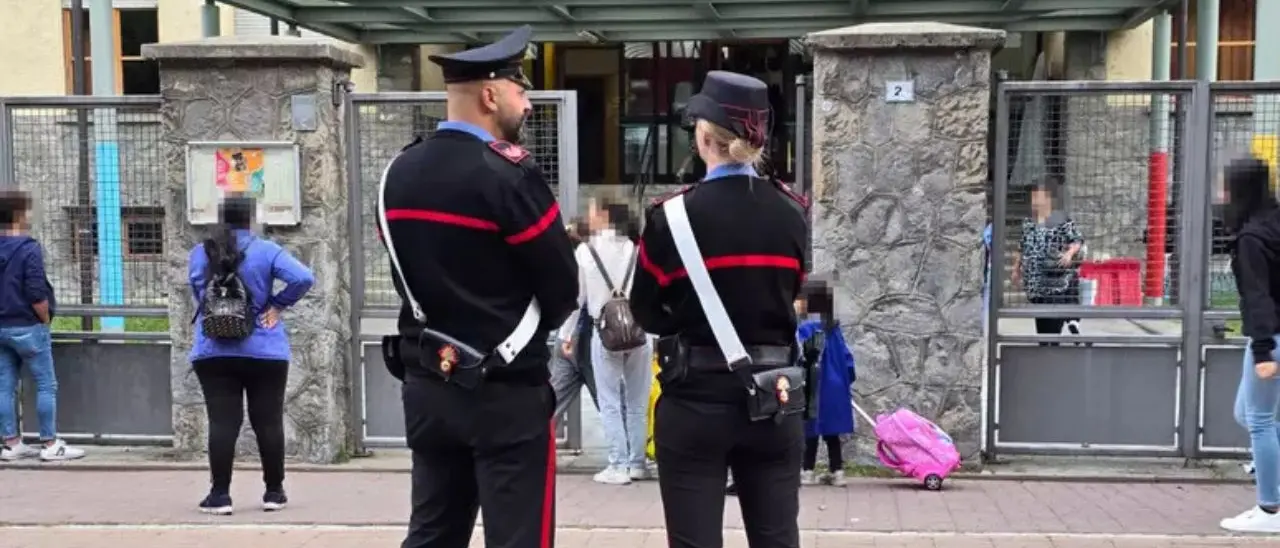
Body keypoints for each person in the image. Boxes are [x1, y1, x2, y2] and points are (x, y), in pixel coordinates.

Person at [376, 25, 578, 548]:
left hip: (428, 384)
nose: (527, 104)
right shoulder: (510, 176)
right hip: (506, 390)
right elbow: (562, 287)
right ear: (490, 96)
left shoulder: (397, 173)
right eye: (519, 90)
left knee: (432, 533)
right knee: (518, 538)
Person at [629, 70, 809, 548]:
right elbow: (794, 291)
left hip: (695, 397)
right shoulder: (793, 212)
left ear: (704, 138)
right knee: (777, 538)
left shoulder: (671, 217)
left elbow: (645, 310)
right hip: (773, 397)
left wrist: (688, 323)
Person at [188, 195, 314, 515]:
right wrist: (277, 305)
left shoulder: (201, 252)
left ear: (220, 218)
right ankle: (274, 492)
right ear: (251, 219)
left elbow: (198, 292)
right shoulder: (266, 250)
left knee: (222, 422)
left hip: (213, 350)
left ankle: (220, 495)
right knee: (268, 421)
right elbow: (303, 277)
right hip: (265, 349)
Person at [559, 199, 653, 485]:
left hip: (605, 333)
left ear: (604, 215)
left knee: (610, 400)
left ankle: (618, 464)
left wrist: (566, 335)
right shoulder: (637, 249)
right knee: (637, 403)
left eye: (591, 211)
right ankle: (637, 463)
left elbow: (577, 299)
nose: (587, 216)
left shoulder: (586, 251)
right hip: (639, 332)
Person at [1218, 157, 1280, 534]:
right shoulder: (1272, 223)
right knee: (1247, 413)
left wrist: (1262, 350)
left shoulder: (1252, 239)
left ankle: (1270, 509)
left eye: (1226, 187)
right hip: (1272, 334)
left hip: (1270, 338)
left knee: (1259, 419)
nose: (1222, 194)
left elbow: (1258, 298)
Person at [0, 190, 82, 462]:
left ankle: (11, 444)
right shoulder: (28, 248)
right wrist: (45, 319)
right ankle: (49, 444)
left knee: (4, 387)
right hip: (28, 326)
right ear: (18, 214)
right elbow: (36, 292)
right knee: (46, 385)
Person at [796, 280, 855, 487]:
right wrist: (845, 381)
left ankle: (807, 470)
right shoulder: (833, 330)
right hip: (834, 387)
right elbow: (847, 359)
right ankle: (837, 471)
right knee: (832, 432)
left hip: (813, 387)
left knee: (810, 430)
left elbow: (801, 357)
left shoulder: (805, 329)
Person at [1011, 178, 1084, 340]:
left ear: (1048, 199)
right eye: (1033, 197)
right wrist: (1016, 269)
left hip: (1054, 282)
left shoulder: (1061, 220)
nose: (1035, 202)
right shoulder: (1028, 223)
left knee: (1052, 327)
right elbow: (1021, 246)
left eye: (1038, 197)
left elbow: (1077, 240)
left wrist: (1069, 253)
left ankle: (1069, 322)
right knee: (1042, 328)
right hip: (1035, 285)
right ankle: (1065, 326)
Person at [549, 219, 600, 419]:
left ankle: (536, 437)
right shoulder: (599, 258)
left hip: (567, 338)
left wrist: (566, 335)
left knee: (551, 407)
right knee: (612, 407)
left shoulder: (570, 261)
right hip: (592, 340)